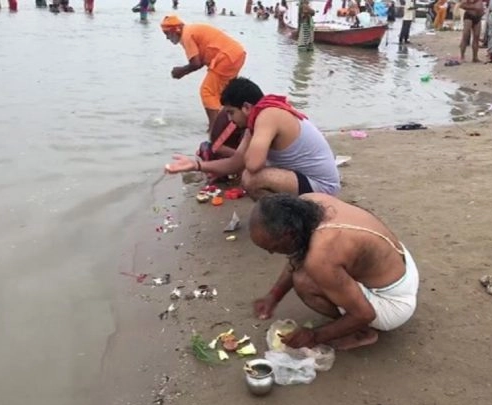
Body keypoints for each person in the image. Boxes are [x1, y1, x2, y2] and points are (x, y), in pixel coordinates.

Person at [250, 193, 420, 350]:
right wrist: (274, 295)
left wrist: (314, 336)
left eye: (273, 248)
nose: (272, 253)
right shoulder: (310, 202)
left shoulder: (322, 254)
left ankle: (362, 333)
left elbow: (364, 314)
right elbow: (298, 253)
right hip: (401, 264)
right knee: (312, 266)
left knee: (304, 281)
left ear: (288, 234)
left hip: (394, 303)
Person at [164, 77, 341, 200]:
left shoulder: (268, 115)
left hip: (322, 187)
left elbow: (252, 165)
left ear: (247, 107)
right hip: (307, 180)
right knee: (249, 174)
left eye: (231, 113)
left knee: (251, 178)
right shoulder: (259, 117)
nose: (231, 120)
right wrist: (197, 165)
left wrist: (248, 147)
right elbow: (235, 162)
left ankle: (293, 221)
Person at [161, 16, 247, 132]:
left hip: (226, 57)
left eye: (167, 34)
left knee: (207, 91)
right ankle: (230, 125)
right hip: (236, 54)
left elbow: (195, 63)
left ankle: (214, 129)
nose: (167, 38)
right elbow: (200, 61)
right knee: (223, 94)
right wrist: (183, 71)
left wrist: (181, 71)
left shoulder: (186, 35)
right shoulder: (190, 31)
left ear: (175, 30)